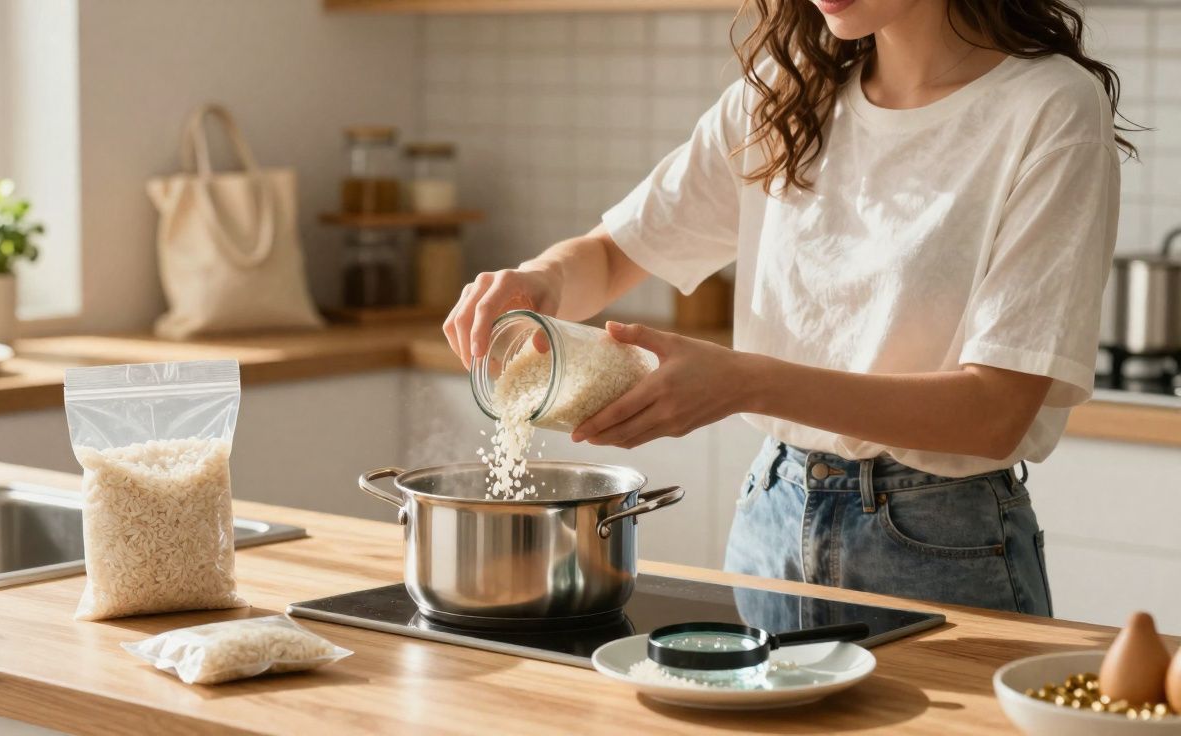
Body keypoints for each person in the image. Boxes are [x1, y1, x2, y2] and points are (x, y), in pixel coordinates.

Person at [443, 0, 1130, 616]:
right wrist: (540, 279)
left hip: (940, 541)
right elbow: (615, 252)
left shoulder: (1050, 108)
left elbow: (996, 412)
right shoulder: (785, 96)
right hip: (772, 517)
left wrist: (745, 380)